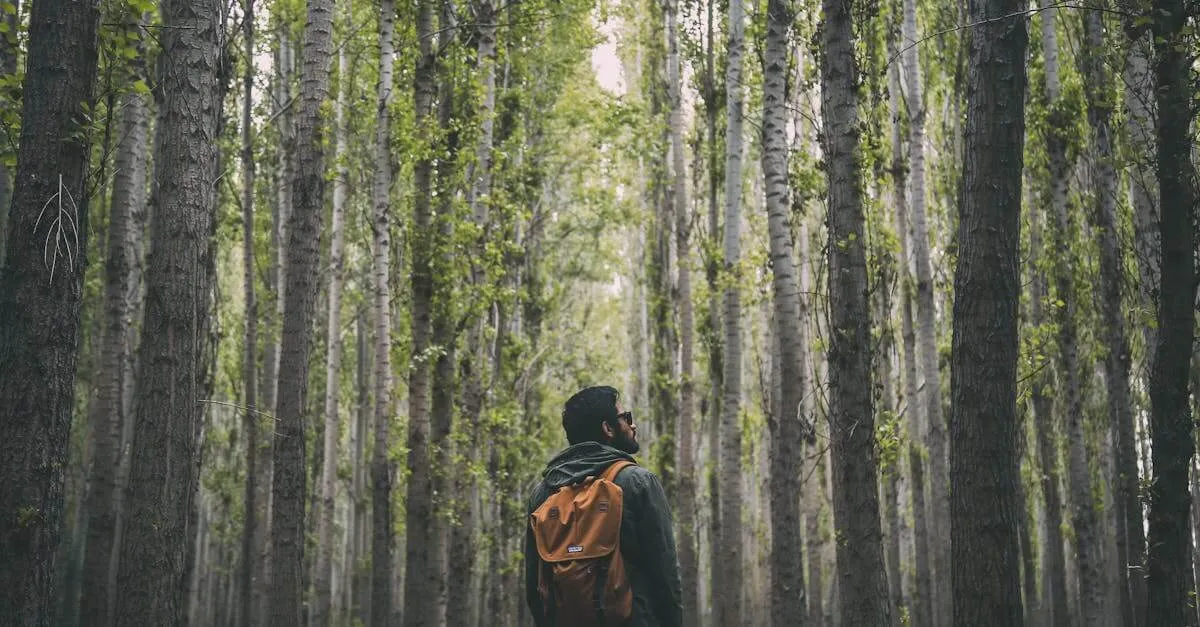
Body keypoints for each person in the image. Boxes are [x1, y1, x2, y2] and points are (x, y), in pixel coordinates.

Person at [524, 385, 683, 627]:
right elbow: (665, 579)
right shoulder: (638, 483)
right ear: (607, 429)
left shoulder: (543, 493)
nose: (633, 425)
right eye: (626, 418)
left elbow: (535, 588)